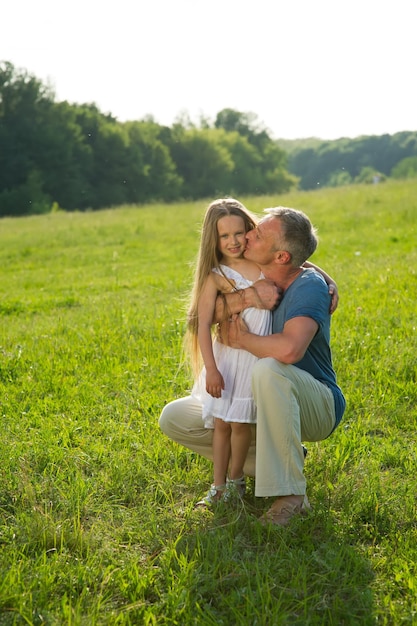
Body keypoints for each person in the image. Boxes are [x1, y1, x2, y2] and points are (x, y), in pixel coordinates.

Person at [160, 202, 345, 525]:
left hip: (316, 404)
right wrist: (245, 298)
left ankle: (291, 495)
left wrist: (242, 340)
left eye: (254, 235)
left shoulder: (309, 286)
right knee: (175, 417)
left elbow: (288, 351)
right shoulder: (242, 270)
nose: (245, 239)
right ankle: (279, 461)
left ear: (280, 257)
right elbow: (199, 319)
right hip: (256, 395)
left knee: (270, 367)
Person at [186, 198, 272, 506]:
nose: (233, 241)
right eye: (225, 236)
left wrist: (328, 281)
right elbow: (202, 324)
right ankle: (218, 486)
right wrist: (211, 368)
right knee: (221, 424)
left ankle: (237, 483)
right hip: (226, 358)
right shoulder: (216, 275)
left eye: (238, 233)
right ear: (214, 239)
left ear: (249, 230)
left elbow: (300, 262)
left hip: (254, 356)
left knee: (240, 424)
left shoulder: (263, 263)